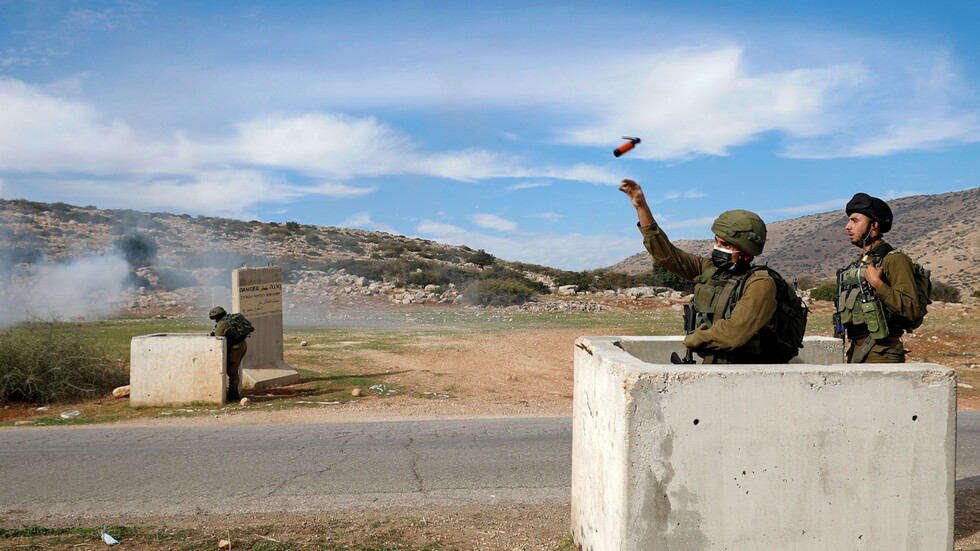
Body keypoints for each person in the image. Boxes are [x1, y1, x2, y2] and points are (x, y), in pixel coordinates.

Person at [619, 178, 783, 364]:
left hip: (748, 375)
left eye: (725, 244)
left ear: (746, 251)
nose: (717, 248)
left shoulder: (760, 283)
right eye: (716, 241)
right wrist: (641, 208)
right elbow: (667, 255)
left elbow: (733, 334)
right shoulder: (711, 271)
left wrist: (693, 340)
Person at [836, 193, 925, 363]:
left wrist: (877, 283)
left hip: (882, 353)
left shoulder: (894, 259)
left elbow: (911, 309)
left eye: (855, 221)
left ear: (874, 225)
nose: (848, 226)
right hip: (856, 351)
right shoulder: (858, 264)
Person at [208, 306, 248, 401]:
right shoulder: (230, 319)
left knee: (232, 372)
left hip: (235, 348)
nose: (214, 321)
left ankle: (233, 395)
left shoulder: (223, 324)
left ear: (217, 317)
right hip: (241, 345)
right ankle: (233, 394)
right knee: (234, 371)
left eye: (215, 318)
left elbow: (218, 337)